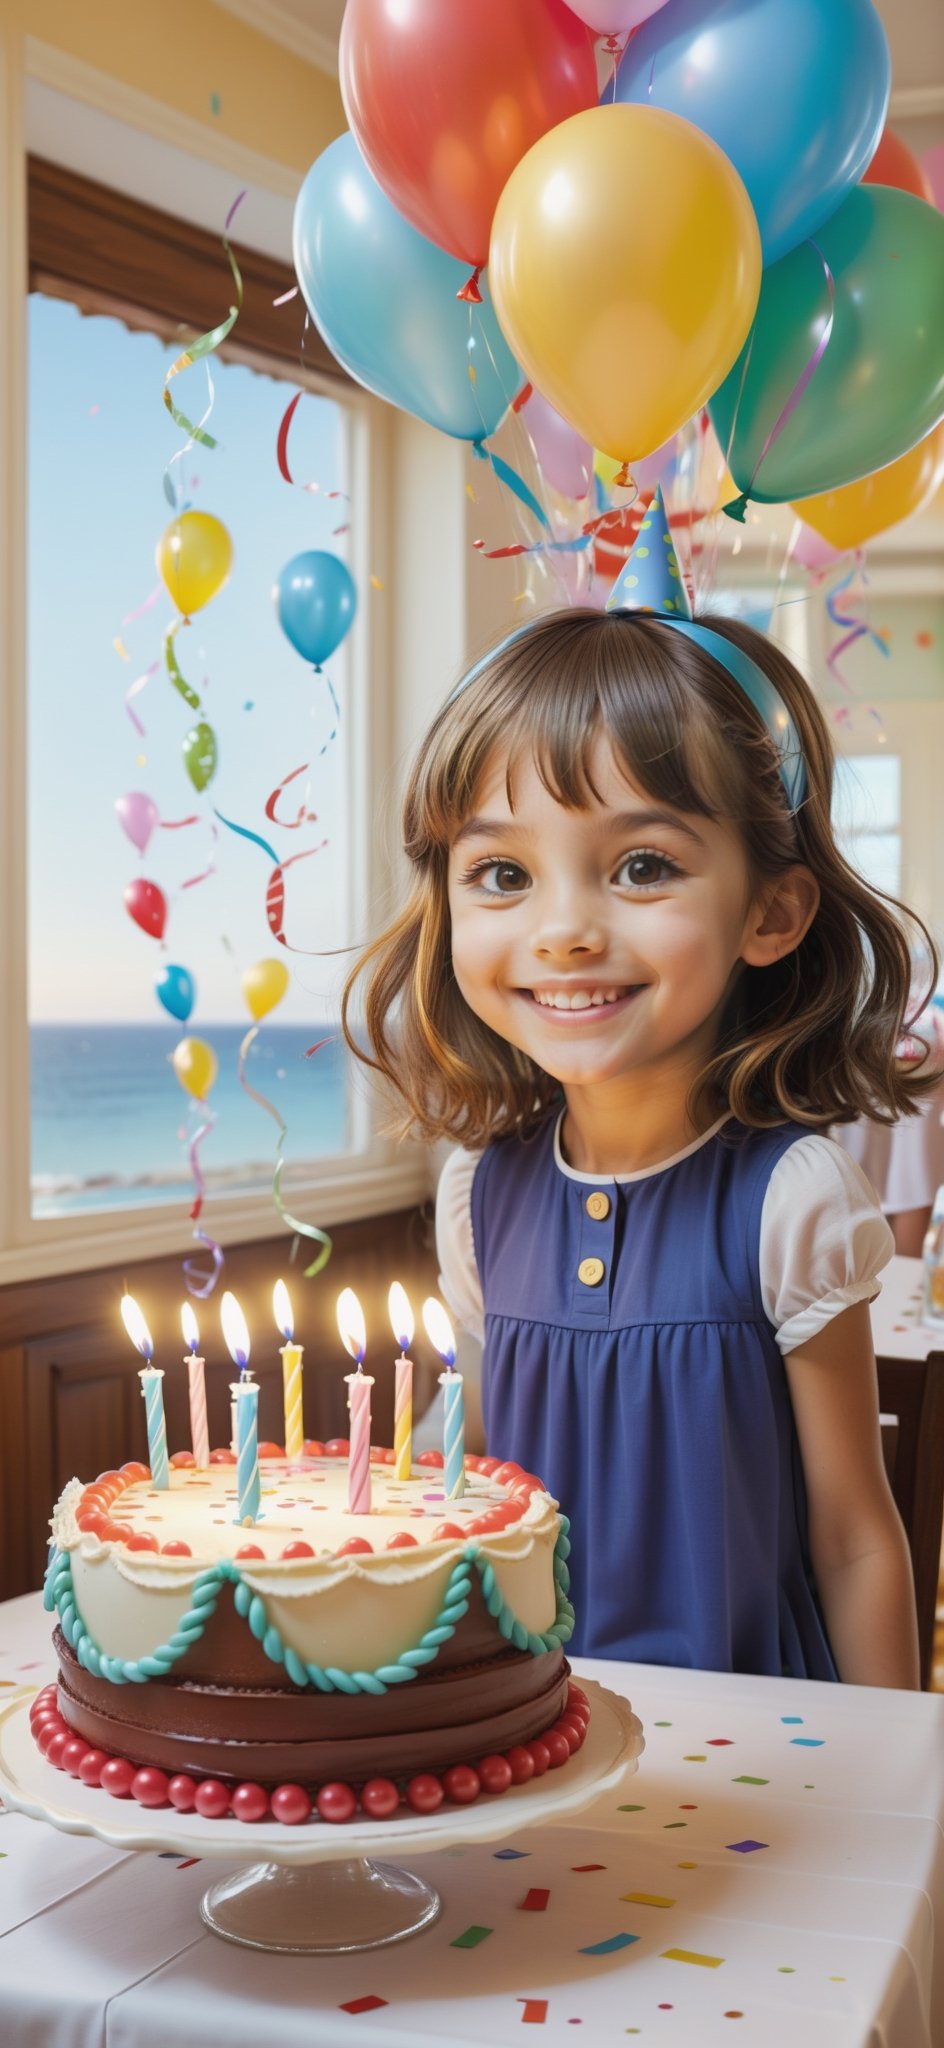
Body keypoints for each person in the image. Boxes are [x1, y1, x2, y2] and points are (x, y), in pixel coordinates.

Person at [343, 488, 935, 1689]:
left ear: (768, 911)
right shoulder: (480, 1194)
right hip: (518, 1725)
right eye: (501, 871)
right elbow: (463, 1450)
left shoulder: (789, 1200)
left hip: (746, 1753)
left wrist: (898, 1794)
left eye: (641, 865)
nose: (563, 930)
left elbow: (853, 1535)